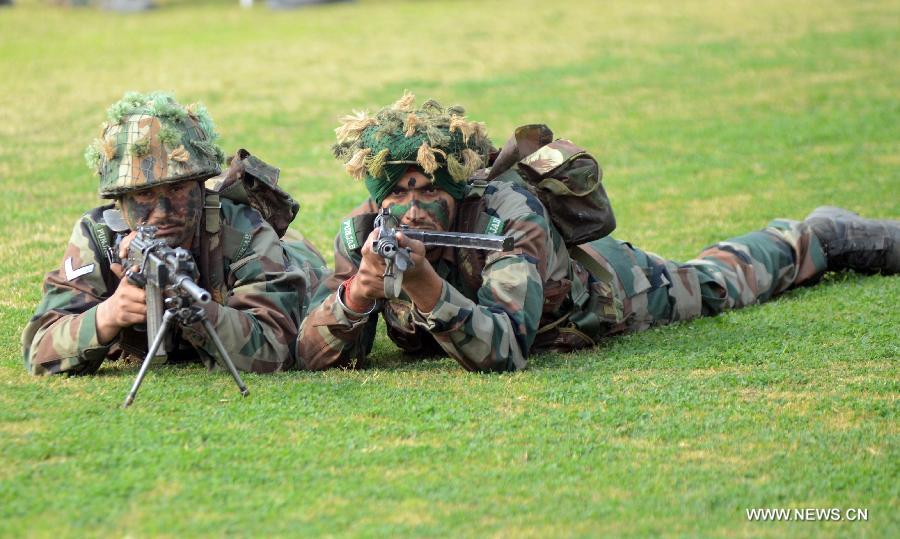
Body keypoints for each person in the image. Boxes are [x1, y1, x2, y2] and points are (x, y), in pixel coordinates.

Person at [296, 92, 898, 371]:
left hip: (600, 297)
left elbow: (506, 348)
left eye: (428, 191)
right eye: (397, 194)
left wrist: (424, 286)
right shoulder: (363, 233)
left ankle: (820, 236)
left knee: (719, 281)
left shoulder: (508, 218)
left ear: (454, 190)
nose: (413, 208)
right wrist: (356, 297)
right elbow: (310, 349)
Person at [22, 92, 327, 375]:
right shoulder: (99, 236)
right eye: (144, 194)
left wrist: (198, 311)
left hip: (303, 265)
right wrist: (108, 314)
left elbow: (275, 348)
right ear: (120, 202)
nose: (163, 211)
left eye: (178, 189)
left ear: (201, 187)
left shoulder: (244, 232)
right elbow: (38, 349)